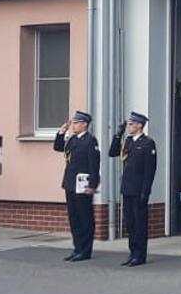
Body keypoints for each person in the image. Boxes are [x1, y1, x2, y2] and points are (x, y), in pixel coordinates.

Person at [108, 111, 159, 267]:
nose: (129, 126)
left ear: (139, 125)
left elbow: (150, 170)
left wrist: (146, 191)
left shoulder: (148, 143)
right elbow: (112, 153)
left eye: (131, 124)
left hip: (139, 189)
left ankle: (140, 255)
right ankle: (132, 252)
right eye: (128, 124)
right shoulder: (128, 141)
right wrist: (118, 135)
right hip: (127, 188)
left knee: (139, 223)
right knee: (130, 223)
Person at [53, 111, 100, 262]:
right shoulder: (73, 139)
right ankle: (77, 248)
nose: (73, 125)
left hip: (83, 185)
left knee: (84, 217)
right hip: (70, 183)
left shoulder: (90, 141)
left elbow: (94, 164)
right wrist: (61, 132)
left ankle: (85, 250)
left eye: (76, 123)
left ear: (84, 124)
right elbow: (59, 147)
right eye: (73, 123)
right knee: (74, 218)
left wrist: (93, 185)